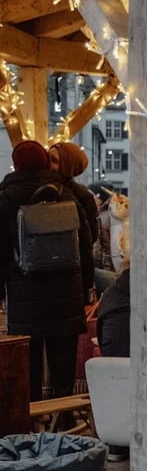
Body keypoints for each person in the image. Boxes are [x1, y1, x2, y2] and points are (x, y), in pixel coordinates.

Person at [0, 140, 91, 400]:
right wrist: (84, 289)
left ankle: (30, 425)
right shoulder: (67, 192)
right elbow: (85, 242)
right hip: (66, 295)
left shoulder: (6, 196)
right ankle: (62, 423)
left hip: (24, 296)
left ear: (16, 164)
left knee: (27, 367)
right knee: (63, 368)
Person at [48, 141, 99, 298]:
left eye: (54, 161)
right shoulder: (83, 195)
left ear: (67, 166)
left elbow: (90, 238)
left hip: (66, 273)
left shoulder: (81, 196)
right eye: (47, 158)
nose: (48, 165)